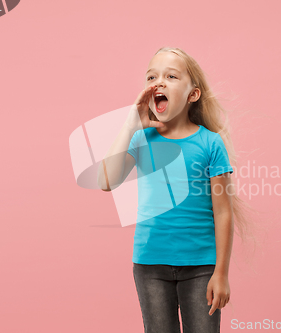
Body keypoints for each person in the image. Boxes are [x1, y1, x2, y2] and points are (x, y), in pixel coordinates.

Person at [98, 46, 258, 333]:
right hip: (150, 266)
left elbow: (223, 212)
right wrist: (130, 124)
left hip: (201, 267)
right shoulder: (141, 138)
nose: (158, 82)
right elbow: (106, 182)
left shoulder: (210, 143)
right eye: (151, 77)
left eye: (171, 76)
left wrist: (221, 273)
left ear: (192, 94)